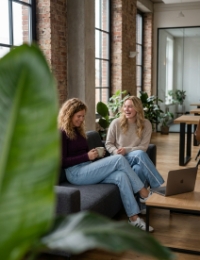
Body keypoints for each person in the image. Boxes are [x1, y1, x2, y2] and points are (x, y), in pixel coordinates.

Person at [58, 98, 154, 232]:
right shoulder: (62, 133)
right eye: (78, 116)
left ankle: (134, 219)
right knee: (118, 159)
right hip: (75, 173)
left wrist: (95, 154)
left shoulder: (78, 130)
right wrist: (87, 156)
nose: (81, 119)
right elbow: (62, 161)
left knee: (121, 176)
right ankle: (143, 192)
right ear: (69, 114)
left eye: (83, 116)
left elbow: (81, 153)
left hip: (86, 168)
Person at [105, 95, 164, 190]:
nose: (126, 109)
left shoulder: (146, 124)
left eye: (130, 106)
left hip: (136, 157)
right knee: (139, 154)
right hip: (119, 158)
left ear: (137, 109)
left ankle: (141, 199)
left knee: (138, 169)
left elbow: (143, 147)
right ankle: (159, 186)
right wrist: (116, 152)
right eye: (125, 106)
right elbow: (108, 143)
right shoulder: (116, 123)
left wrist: (126, 150)